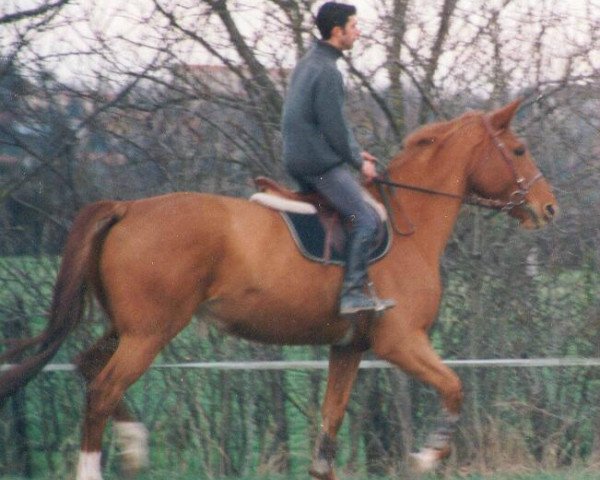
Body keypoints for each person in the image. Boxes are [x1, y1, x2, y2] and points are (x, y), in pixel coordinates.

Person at [281, 1, 395, 316]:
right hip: (317, 165)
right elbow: (333, 128)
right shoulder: (329, 72)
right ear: (337, 31)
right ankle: (352, 294)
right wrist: (361, 163)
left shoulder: (308, 63)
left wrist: (356, 152)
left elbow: (323, 125)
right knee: (367, 219)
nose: (358, 32)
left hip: (297, 157)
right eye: (354, 26)